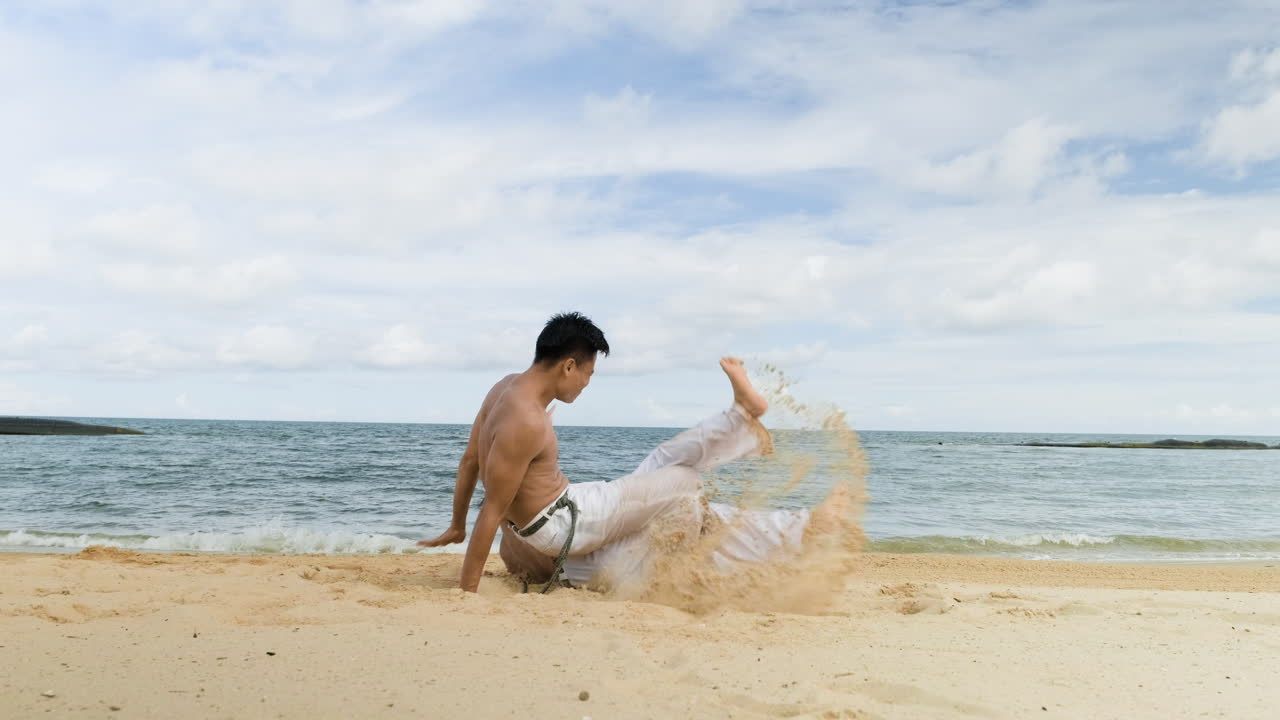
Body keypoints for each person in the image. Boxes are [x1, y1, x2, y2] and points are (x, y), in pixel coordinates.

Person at [419, 311, 837, 593]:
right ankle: (744, 424)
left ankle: (745, 425)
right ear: (568, 365)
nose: (586, 384)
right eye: (588, 373)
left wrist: (456, 525)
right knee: (685, 482)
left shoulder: (503, 388)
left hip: (566, 514)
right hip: (564, 525)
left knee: (660, 464)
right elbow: (493, 508)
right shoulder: (527, 419)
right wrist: (466, 592)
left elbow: (470, 461)